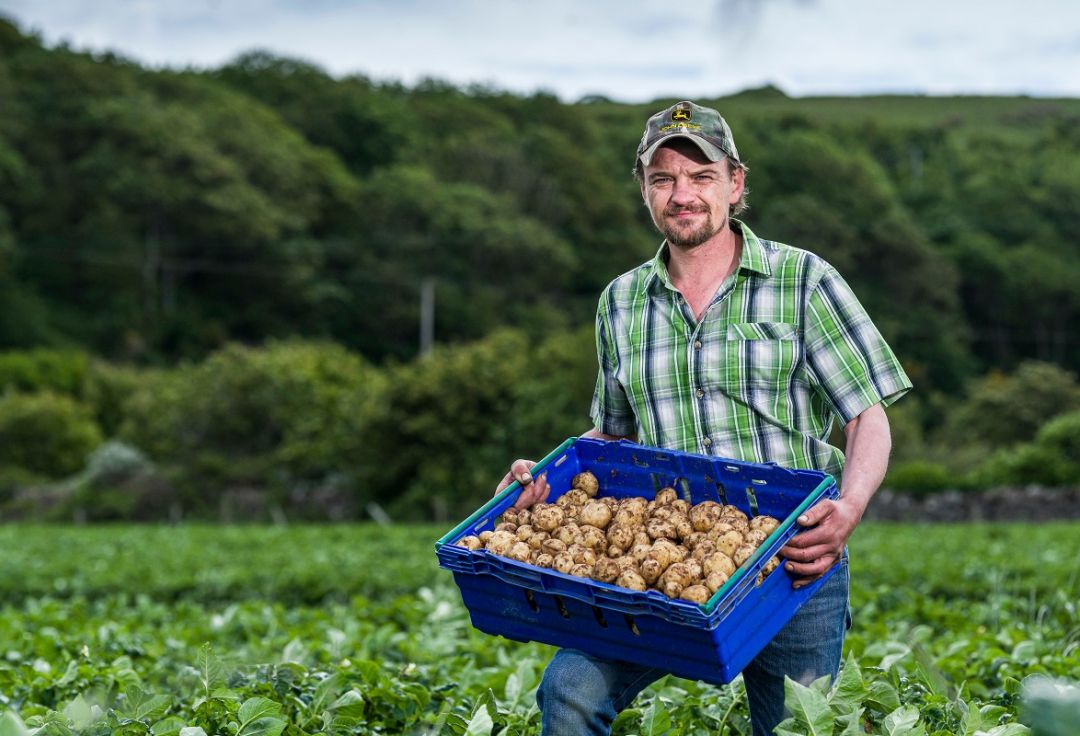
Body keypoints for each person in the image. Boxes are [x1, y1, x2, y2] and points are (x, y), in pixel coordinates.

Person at [494, 100, 912, 736]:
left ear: (735, 184)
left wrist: (849, 507)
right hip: (664, 553)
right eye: (662, 179)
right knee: (572, 691)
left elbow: (865, 416)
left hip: (791, 558)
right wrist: (543, 478)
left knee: (796, 728)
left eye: (701, 176)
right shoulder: (621, 301)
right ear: (644, 190)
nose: (681, 194)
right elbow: (612, 435)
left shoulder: (803, 280)